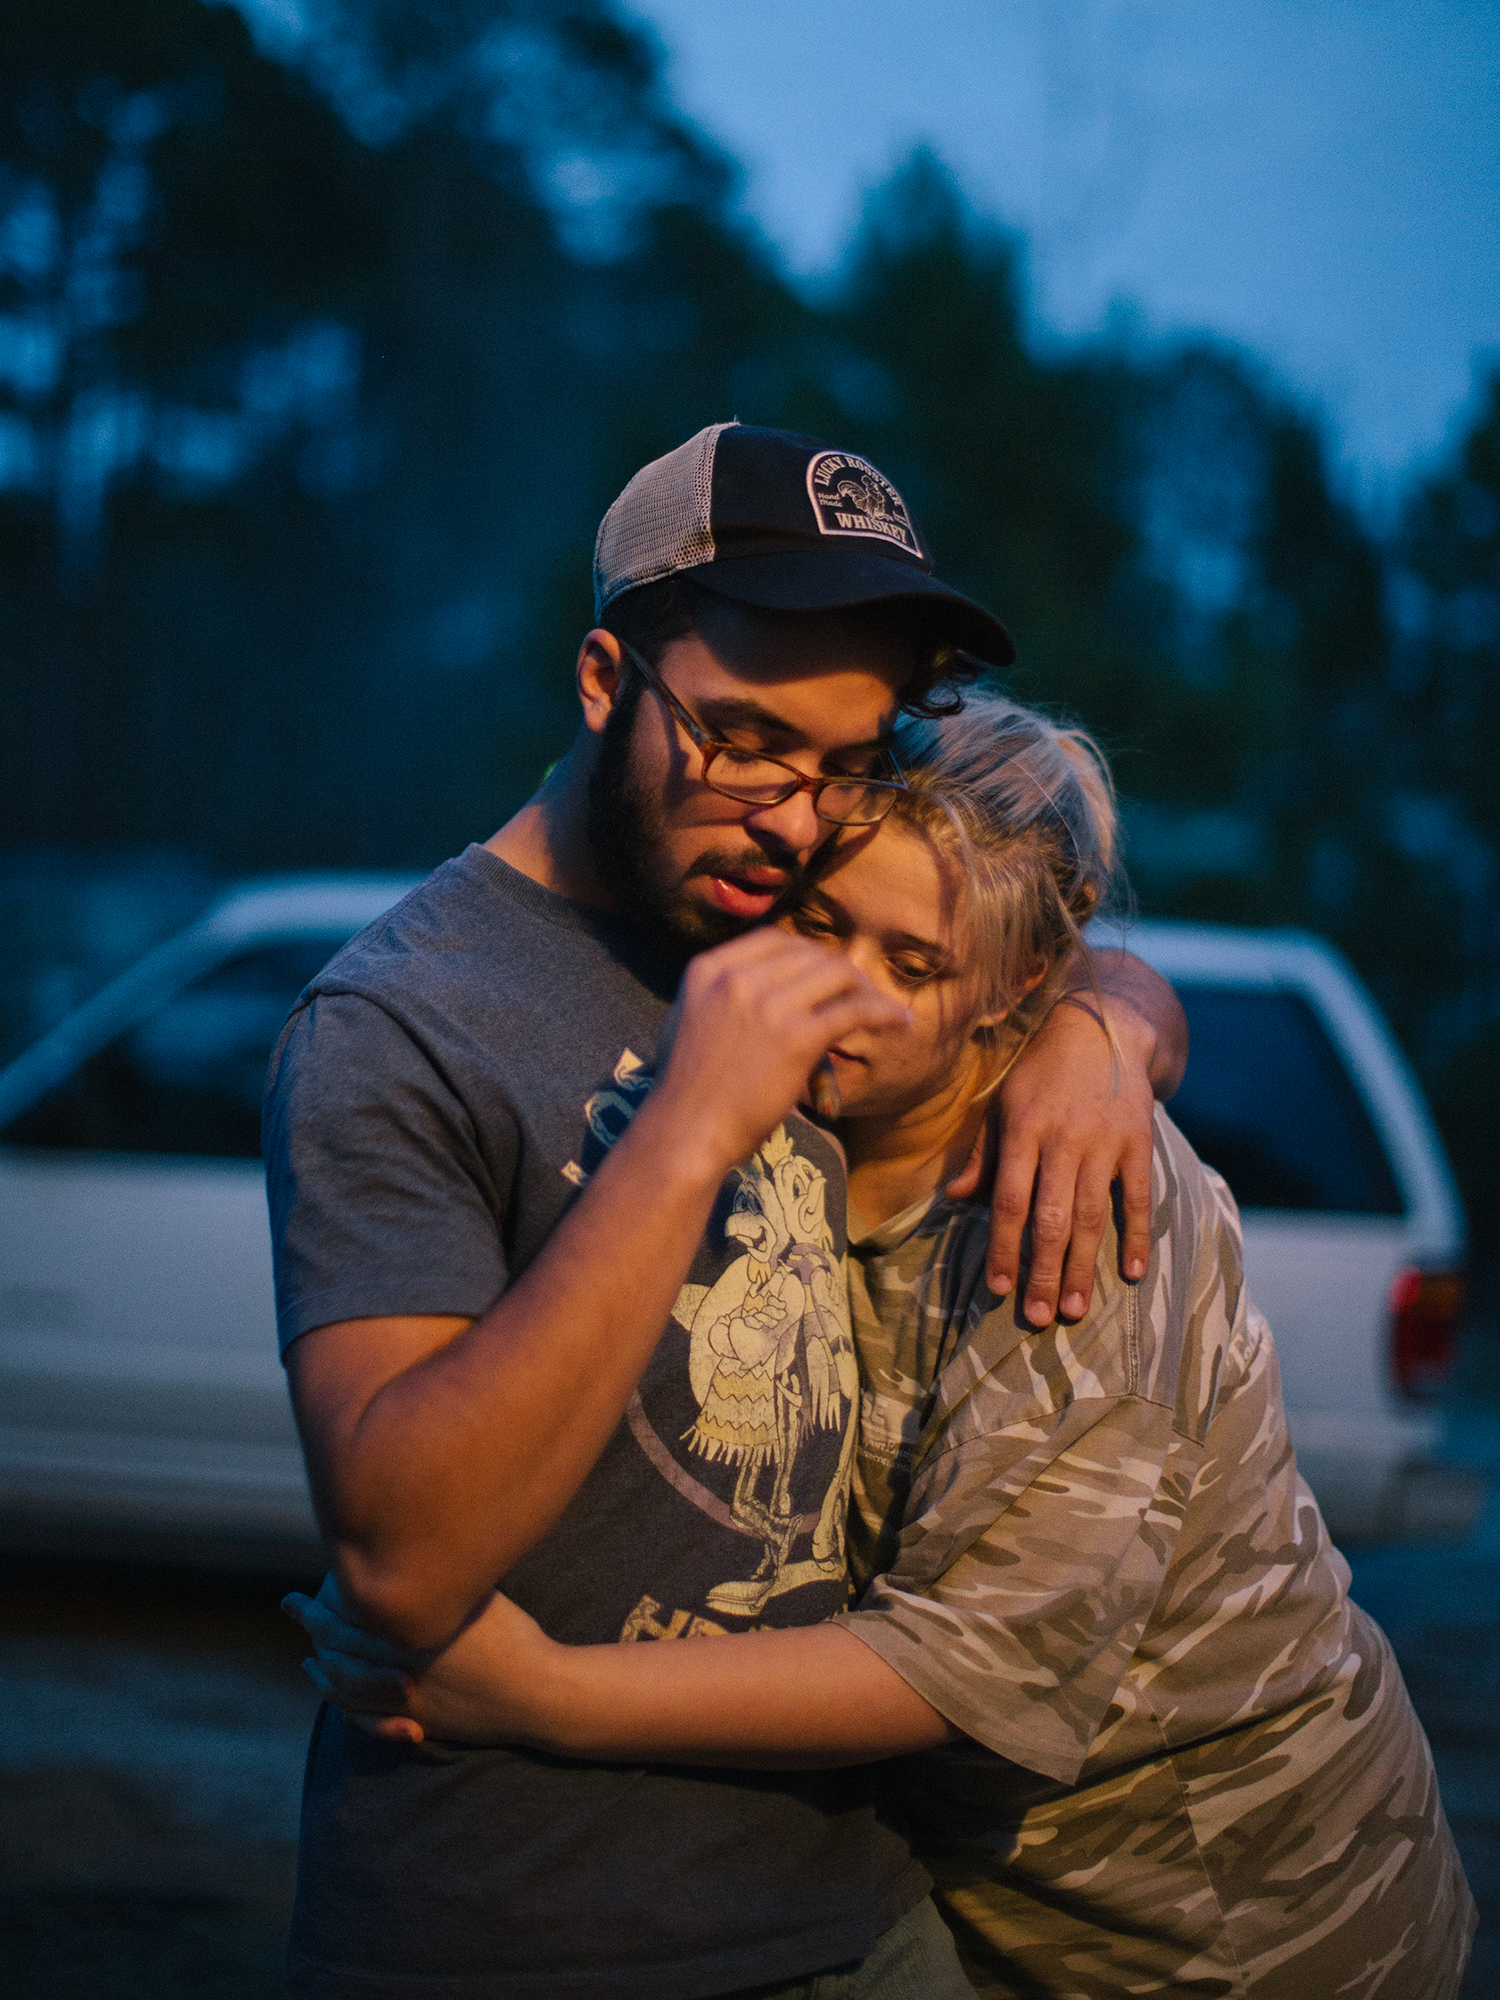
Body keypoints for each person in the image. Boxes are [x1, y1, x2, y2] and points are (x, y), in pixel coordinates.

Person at [290, 687, 1476, 1999]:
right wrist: (1117, 1009)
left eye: (910, 967)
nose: (843, 995)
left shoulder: (1073, 1203)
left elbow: (980, 1667)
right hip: (973, 1913)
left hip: (1234, 1921)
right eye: (818, 924)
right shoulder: (773, 1096)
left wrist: (539, 1694)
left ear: (1015, 984)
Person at [264, 421, 1188, 2000]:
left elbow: (1039, 940)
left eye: (850, 761)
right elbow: (404, 1568)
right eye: (748, 739)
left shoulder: (790, 899)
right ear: (603, 680)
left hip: (859, 1913)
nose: (793, 819)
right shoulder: (395, 1022)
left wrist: (1108, 1031)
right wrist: (690, 1125)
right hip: (518, 1931)